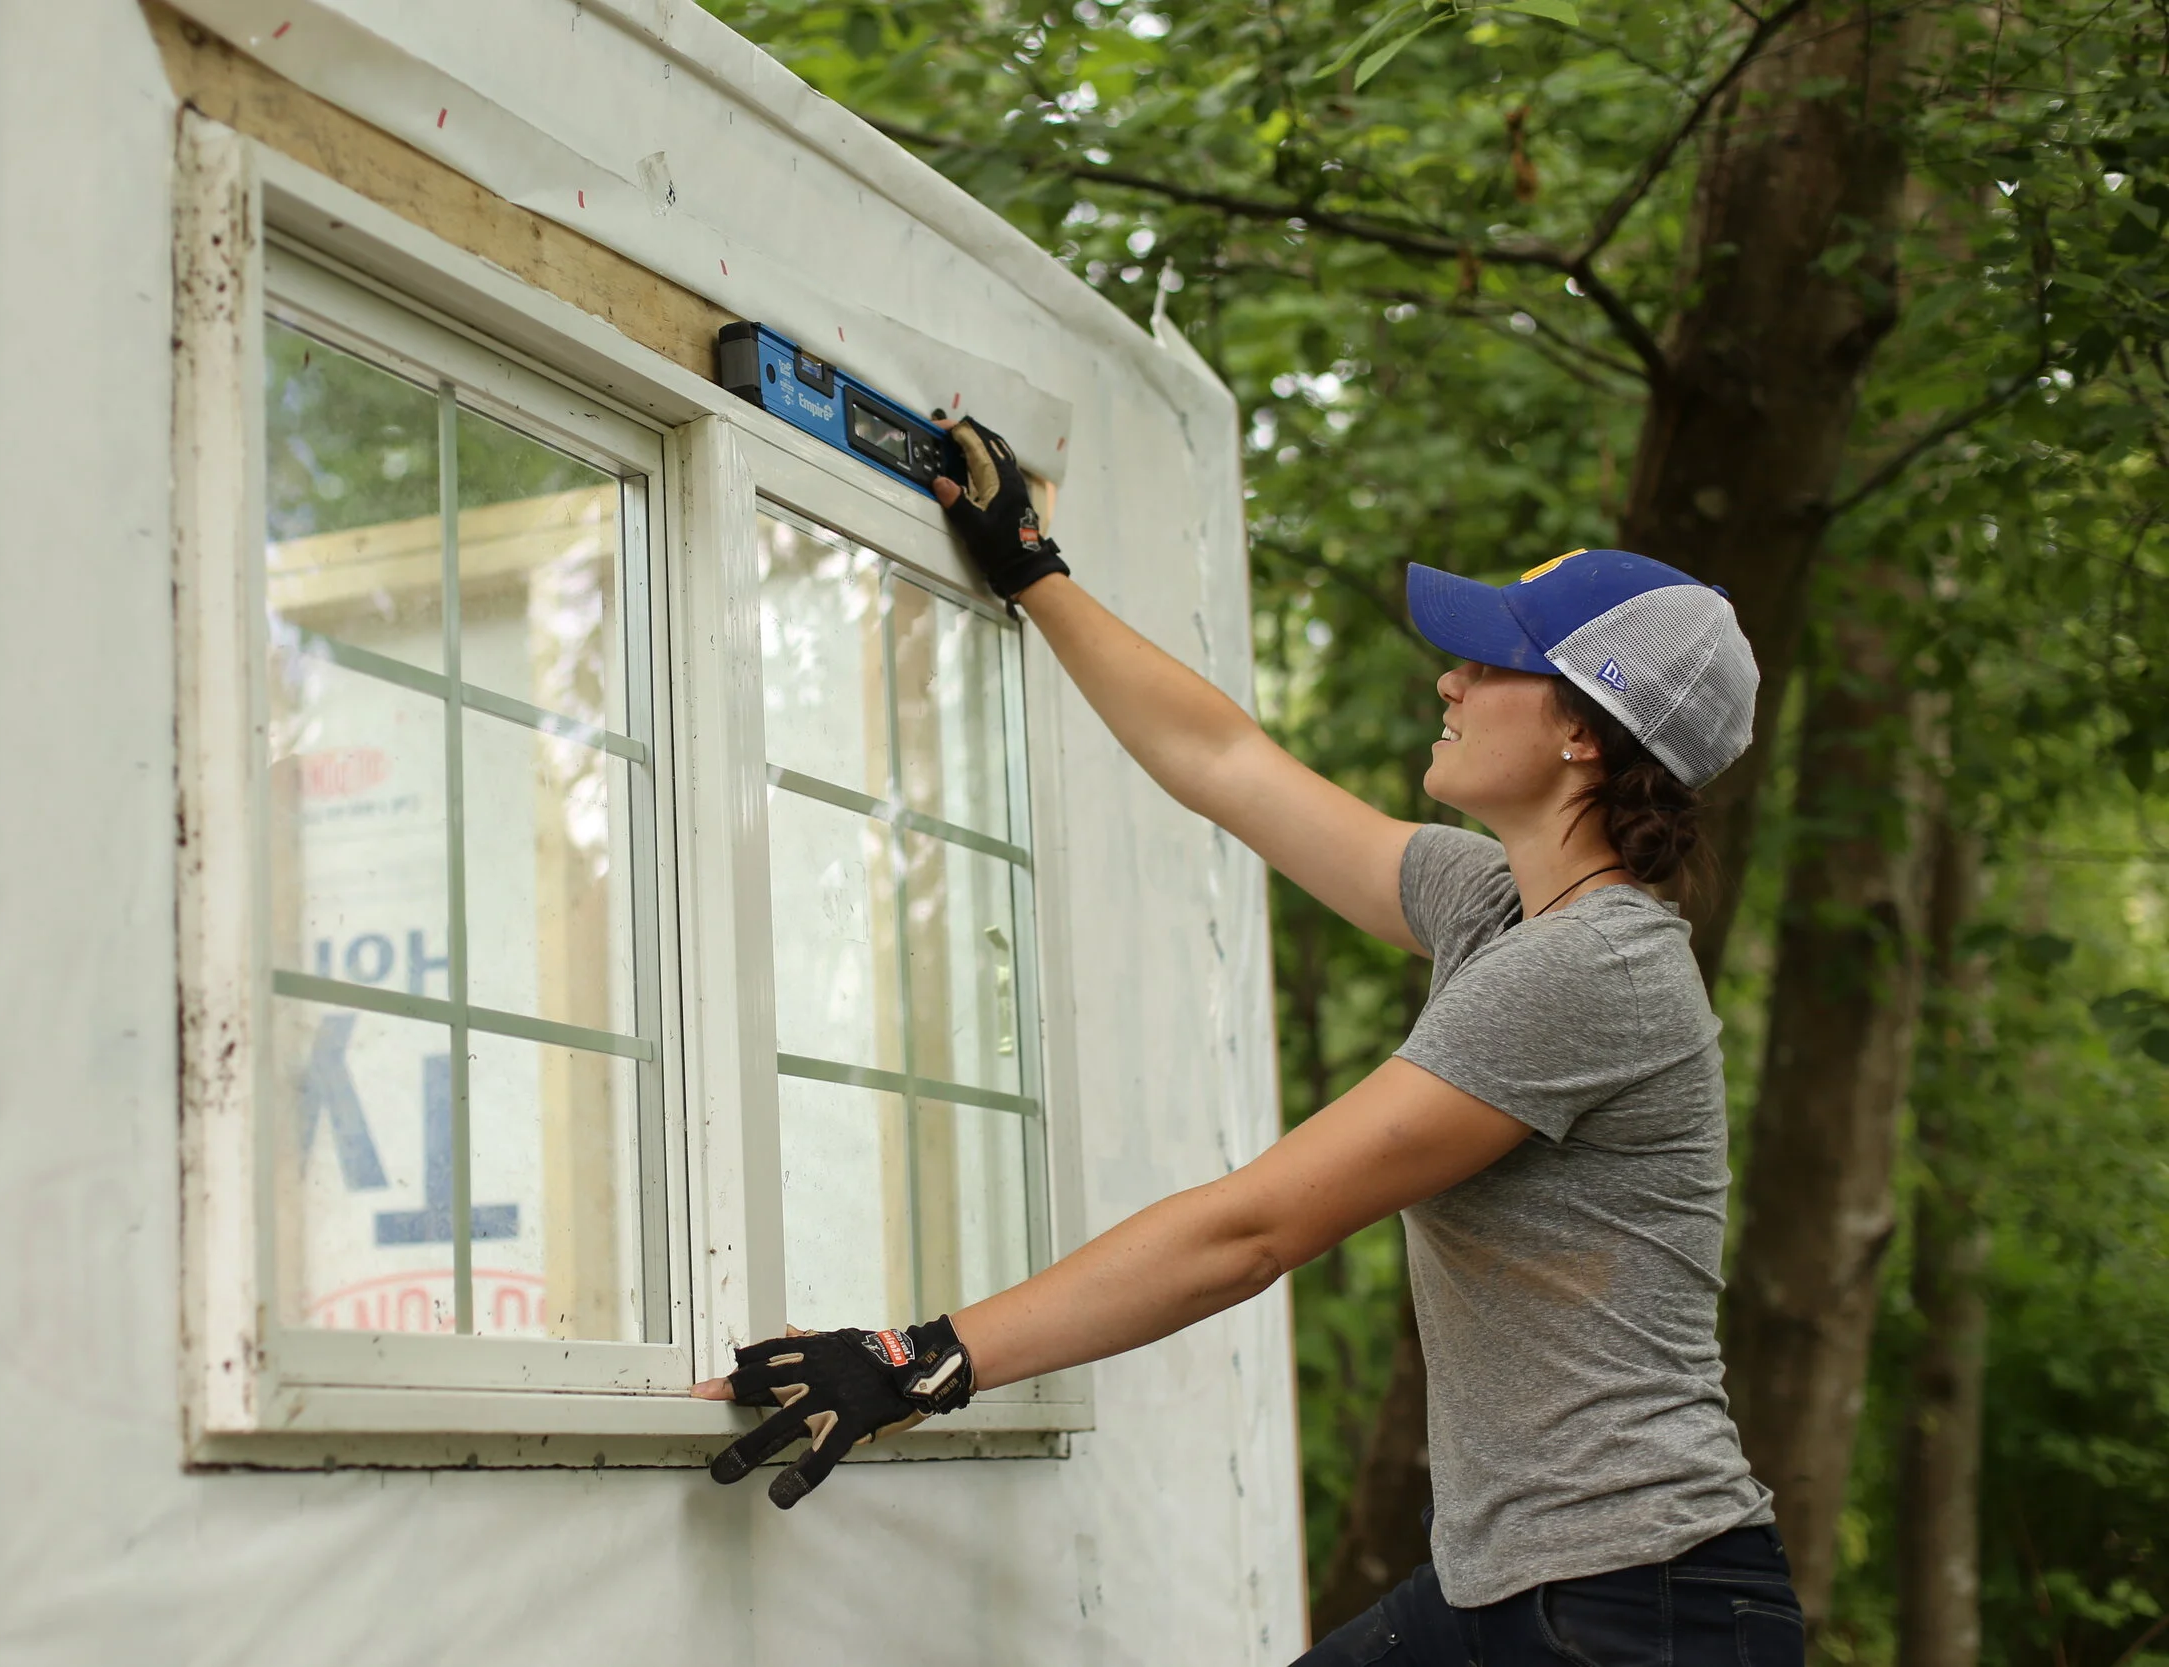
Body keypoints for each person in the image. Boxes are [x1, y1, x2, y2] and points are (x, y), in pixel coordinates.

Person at [693, 418, 1804, 1667]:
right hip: (1542, 1590)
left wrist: (927, 1356)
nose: (1448, 679)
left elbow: (1253, 1229)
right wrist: (1031, 571)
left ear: (1582, 733)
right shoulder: (1495, 908)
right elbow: (1224, 760)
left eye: (1489, 664)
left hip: (1634, 1606)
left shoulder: (1591, 969)